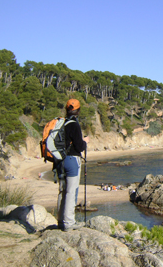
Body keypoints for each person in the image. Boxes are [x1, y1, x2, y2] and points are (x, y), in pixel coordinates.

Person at [57, 98, 90, 232]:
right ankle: (69, 223)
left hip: (60, 160)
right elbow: (79, 146)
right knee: (71, 191)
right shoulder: (74, 125)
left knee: (62, 191)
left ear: (66, 109)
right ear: (78, 110)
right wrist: (85, 141)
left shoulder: (62, 123)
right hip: (72, 161)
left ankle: (60, 220)